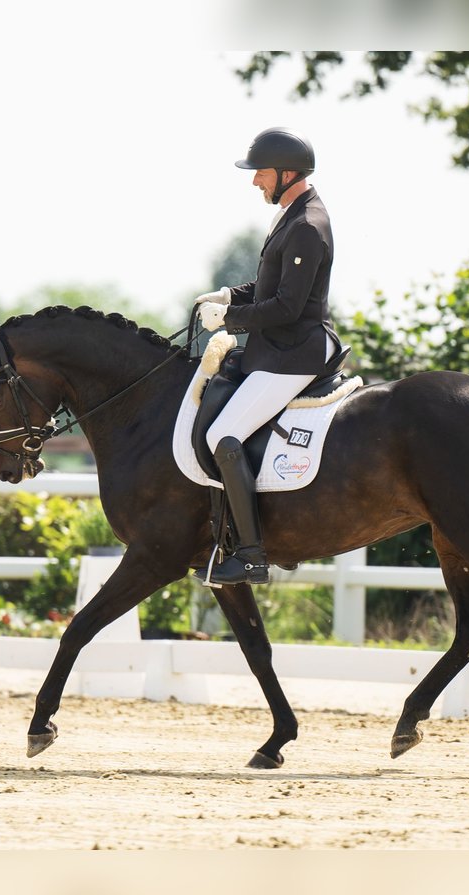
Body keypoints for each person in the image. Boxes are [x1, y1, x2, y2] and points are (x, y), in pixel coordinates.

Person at [193, 126, 341, 585]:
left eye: (260, 172)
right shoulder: (292, 215)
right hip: (276, 350)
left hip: (293, 355)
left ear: (285, 172)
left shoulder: (306, 226)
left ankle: (254, 554)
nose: (255, 180)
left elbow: (287, 307)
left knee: (224, 435)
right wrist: (227, 296)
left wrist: (230, 320)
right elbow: (267, 288)